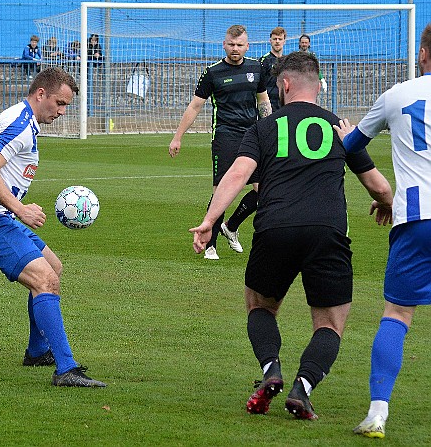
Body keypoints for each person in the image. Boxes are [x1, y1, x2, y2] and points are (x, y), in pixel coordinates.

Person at [190, 51, 393, 421]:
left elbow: (236, 175)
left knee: (260, 305)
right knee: (330, 323)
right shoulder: (339, 128)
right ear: (318, 87)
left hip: (274, 228)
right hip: (327, 232)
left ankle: (271, 371)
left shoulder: (264, 128)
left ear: (284, 85)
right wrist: (385, 204)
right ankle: (304, 387)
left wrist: (209, 221)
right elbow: (379, 187)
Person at [0, 66, 106, 388]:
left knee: (53, 267)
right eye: (60, 103)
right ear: (41, 94)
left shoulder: (22, 119)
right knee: (46, 280)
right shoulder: (20, 125)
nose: (62, 112)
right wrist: (19, 208)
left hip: (0, 216)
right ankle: (66, 369)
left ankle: (38, 351)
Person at [334, 22, 431, 439]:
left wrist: (345, 133)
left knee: (397, 314)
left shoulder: (398, 95)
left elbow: (352, 144)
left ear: (423, 54)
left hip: (416, 218)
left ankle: (377, 413)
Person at [169, 24, 272, 260]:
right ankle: (211, 244)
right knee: (220, 191)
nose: (235, 49)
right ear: (224, 45)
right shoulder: (212, 72)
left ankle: (231, 226)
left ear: (248, 46)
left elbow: (264, 102)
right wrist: (178, 136)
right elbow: (195, 105)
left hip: (253, 136)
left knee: (264, 189)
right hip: (225, 136)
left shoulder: (257, 68)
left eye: (240, 45)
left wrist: (270, 131)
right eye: (231, 44)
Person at [259, 26, 286, 112]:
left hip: (283, 105)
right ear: (270, 41)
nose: (277, 41)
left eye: (280, 39)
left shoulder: (287, 61)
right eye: (275, 39)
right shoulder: (264, 60)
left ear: (284, 41)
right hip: (269, 105)